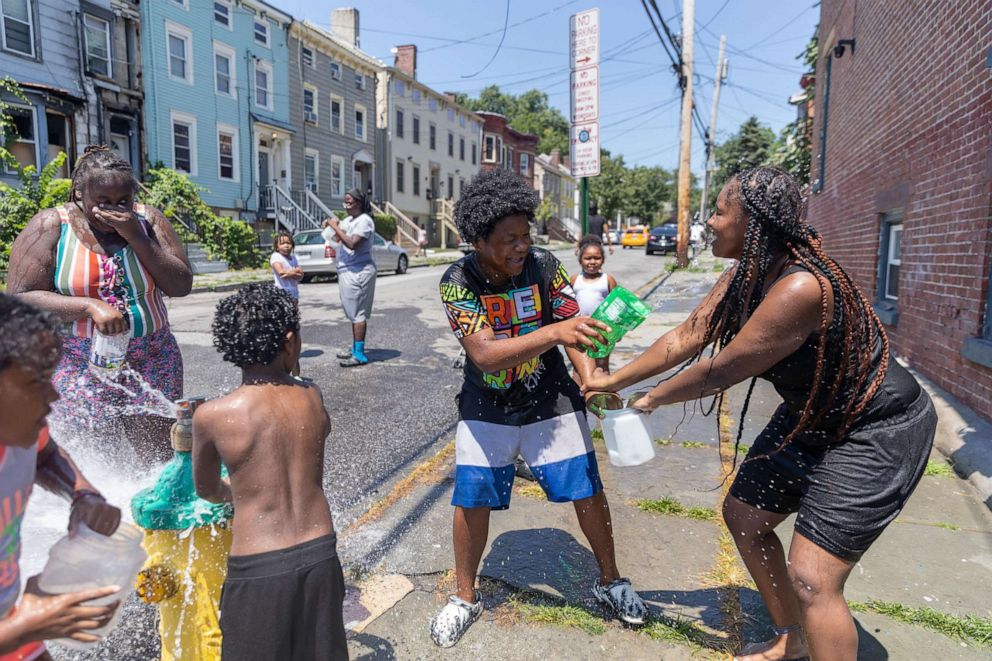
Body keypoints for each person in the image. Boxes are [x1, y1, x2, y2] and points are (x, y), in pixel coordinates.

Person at [584, 167, 936, 661]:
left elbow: (718, 371)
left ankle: (812, 628)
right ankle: (791, 638)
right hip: (810, 415)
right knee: (745, 516)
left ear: (753, 224)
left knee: (813, 579)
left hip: (872, 428)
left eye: (720, 211)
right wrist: (611, 379)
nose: (709, 220)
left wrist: (652, 398)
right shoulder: (743, 276)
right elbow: (685, 338)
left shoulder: (800, 288)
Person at [431, 168, 647, 649]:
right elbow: (485, 354)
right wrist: (554, 333)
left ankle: (611, 581)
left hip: (550, 396)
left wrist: (591, 378)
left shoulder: (545, 266)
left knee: (587, 489)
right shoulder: (456, 282)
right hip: (486, 403)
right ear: (477, 240)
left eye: (525, 236)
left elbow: (576, 330)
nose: (521, 247)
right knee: (472, 498)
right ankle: (465, 596)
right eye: (509, 240)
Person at [8, 145, 192, 461]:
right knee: (93, 458)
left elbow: (181, 284)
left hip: (151, 358)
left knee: (157, 457)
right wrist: (89, 307)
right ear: (80, 193)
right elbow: (20, 298)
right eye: (102, 202)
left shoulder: (147, 221)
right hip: (77, 362)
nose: (114, 210)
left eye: (123, 201)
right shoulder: (52, 226)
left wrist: (137, 237)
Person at [192, 283, 346, 661]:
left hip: (258, 567)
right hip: (321, 555)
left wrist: (237, 492)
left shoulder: (212, 415)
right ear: (290, 342)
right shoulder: (312, 397)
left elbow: (207, 489)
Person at [0, 294, 125, 659]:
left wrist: (82, 493)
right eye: (36, 382)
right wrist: (27, 625)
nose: (53, 395)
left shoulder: (18, 429)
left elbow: (45, 453)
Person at [324, 189, 376, 367]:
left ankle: (360, 354)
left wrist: (335, 227)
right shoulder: (348, 221)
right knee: (352, 311)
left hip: (359, 271)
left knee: (358, 313)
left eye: (349, 202)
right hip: (347, 270)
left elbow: (353, 243)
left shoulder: (365, 221)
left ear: (359, 203)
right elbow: (339, 239)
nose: (345, 205)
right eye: (344, 202)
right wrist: (332, 227)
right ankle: (355, 348)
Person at [570, 235, 618, 374]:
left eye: (597, 258)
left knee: (602, 365)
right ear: (580, 260)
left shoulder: (607, 279)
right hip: (580, 329)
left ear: (602, 260)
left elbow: (618, 304)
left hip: (602, 330)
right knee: (580, 367)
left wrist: (616, 332)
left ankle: (603, 394)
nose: (592, 262)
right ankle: (579, 394)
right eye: (587, 258)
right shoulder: (574, 279)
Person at [270, 231, 303, 376]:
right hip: (281, 296)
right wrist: (293, 272)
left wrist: (295, 272)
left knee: (294, 328)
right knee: (285, 328)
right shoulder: (275, 257)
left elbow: (301, 275)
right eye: (282, 243)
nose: (286, 246)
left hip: (294, 296)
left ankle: (296, 375)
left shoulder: (294, 258)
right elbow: (281, 273)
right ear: (277, 246)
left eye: (289, 243)